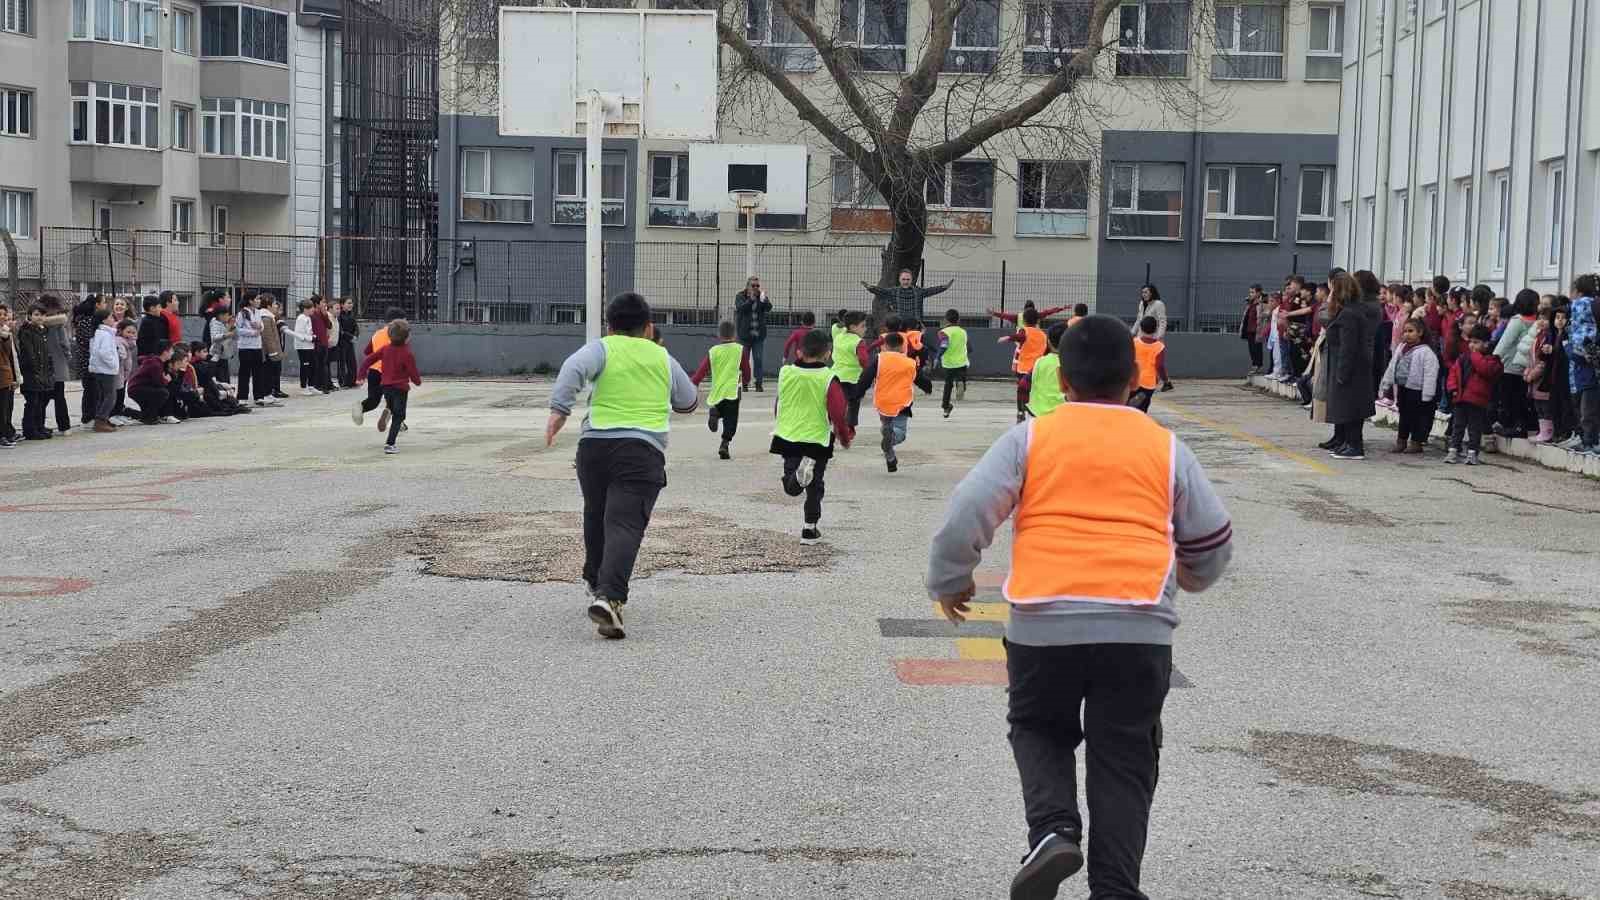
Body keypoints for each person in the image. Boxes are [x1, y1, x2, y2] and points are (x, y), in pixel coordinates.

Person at [926, 314, 1233, 900]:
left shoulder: (1031, 438)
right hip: (1138, 623)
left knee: (1039, 726)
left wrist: (951, 580)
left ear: (1062, 379)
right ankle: (1115, 887)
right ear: (1131, 378)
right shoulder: (1164, 446)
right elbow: (1212, 537)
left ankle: (1053, 830)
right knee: (1125, 753)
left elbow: (966, 510)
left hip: (1043, 620)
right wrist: (1190, 576)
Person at [546, 292, 698, 640]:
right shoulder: (662, 357)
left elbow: (572, 367)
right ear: (649, 327)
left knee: (597, 513)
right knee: (625, 524)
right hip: (641, 450)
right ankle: (610, 598)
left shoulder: (602, 348)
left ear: (610, 326)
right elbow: (688, 401)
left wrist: (560, 410)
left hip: (594, 446)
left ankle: (595, 577)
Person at [770, 328, 854, 544]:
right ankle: (809, 528)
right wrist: (844, 436)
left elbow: (779, 401)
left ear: (800, 351)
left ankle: (795, 480)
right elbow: (837, 412)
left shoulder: (786, 372)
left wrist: (779, 420)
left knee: (792, 483)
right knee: (815, 485)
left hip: (788, 434)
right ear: (828, 354)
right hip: (817, 438)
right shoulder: (828, 378)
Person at [1322, 271, 1380, 460]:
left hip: (1351, 368)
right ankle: (1347, 442)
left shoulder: (1349, 314)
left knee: (1351, 407)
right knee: (1346, 407)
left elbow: (1349, 346)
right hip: (1349, 365)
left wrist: (1342, 372)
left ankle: (1354, 445)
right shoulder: (1349, 311)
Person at [862, 331, 927, 473]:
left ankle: (890, 458)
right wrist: (928, 387)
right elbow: (920, 379)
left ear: (885, 346)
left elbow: (866, 377)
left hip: (883, 402)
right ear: (901, 347)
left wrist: (857, 393)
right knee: (900, 433)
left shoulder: (879, 359)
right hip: (902, 402)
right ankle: (891, 436)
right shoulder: (909, 362)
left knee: (886, 426)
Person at [357, 320, 422, 454]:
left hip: (386, 386)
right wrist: (417, 382)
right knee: (399, 416)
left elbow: (368, 359)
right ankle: (390, 444)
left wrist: (361, 375)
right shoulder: (407, 353)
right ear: (407, 337)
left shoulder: (385, 349)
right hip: (401, 388)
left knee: (392, 406)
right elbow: (413, 372)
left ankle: (388, 411)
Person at [689, 321, 750, 460]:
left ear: (719, 335)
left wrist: (694, 382)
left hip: (717, 393)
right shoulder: (740, 350)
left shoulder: (713, 351)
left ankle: (715, 413)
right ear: (734, 335)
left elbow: (702, 370)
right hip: (732, 392)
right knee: (731, 420)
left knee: (721, 410)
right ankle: (725, 443)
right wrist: (746, 381)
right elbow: (746, 369)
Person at [1379, 318, 1440, 454]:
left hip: (1417, 390)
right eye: (1405, 331)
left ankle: (1416, 442)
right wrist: (1387, 382)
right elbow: (1392, 366)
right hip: (1403, 387)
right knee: (1404, 415)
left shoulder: (1426, 352)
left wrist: (1428, 393)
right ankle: (1401, 441)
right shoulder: (1401, 348)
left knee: (1417, 417)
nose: (1407, 334)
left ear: (1420, 332)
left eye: (1411, 331)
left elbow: (1431, 374)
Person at [1446, 325, 1502, 465]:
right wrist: (1452, 388)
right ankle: (1453, 450)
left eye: (1476, 342)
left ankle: (1472, 453)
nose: (1472, 345)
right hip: (1460, 398)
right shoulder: (1463, 358)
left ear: (1486, 344)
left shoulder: (1492, 360)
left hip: (1477, 401)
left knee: (1474, 428)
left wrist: (1475, 356)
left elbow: (1485, 370)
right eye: (1470, 342)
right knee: (1457, 426)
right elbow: (1453, 373)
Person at [353, 307, 407, 426]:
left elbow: (367, 351)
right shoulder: (399, 335)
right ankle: (397, 421)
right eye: (404, 320)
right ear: (397, 322)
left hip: (374, 371)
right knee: (395, 398)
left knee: (373, 400)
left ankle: (361, 407)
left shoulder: (377, 334)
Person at [1563, 275, 1598, 455]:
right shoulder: (1593, 305)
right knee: (1586, 409)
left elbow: (1579, 346)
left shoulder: (1580, 305)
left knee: (1587, 410)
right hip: (1585, 369)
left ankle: (1589, 441)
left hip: (1584, 368)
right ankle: (1587, 440)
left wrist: (1568, 347)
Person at [1003, 307, 1049, 424]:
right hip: (1037, 368)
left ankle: (1020, 411)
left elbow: (1020, 338)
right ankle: (1034, 410)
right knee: (1035, 390)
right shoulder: (1043, 335)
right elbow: (1046, 350)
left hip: (1023, 367)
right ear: (1038, 321)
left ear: (1024, 320)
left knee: (1021, 389)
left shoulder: (1024, 331)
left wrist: (1008, 337)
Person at [862, 268, 955, 323]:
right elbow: (880, 291)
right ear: (899, 279)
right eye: (904, 279)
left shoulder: (918, 291)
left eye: (908, 279)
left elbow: (931, 291)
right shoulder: (893, 291)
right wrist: (871, 288)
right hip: (899, 325)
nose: (906, 281)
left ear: (911, 280)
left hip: (915, 325)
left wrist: (944, 287)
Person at [71, 294, 105, 426]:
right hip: (88, 359)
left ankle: (93, 415)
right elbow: (88, 340)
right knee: (91, 389)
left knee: (95, 389)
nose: (105, 305)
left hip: (90, 358)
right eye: (103, 303)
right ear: (97, 305)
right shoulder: (87, 320)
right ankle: (88, 416)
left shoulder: (89, 320)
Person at [734, 276, 773, 392]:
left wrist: (765, 300)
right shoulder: (740, 296)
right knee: (743, 360)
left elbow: (769, 308)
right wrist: (750, 300)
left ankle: (759, 383)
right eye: (753, 285)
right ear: (747, 286)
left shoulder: (760, 295)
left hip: (758, 336)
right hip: (744, 335)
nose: (756, 288)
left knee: (758, 358)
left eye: (757, 285)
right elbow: (740, 308)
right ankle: (744, 383)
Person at [1132, 284, 1172, 391]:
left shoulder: (1158, 304)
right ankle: (1145, 381)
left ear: (1152, 292)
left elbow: (1163, 321)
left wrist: (1158, 337)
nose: (1143, 294)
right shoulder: (1142, 304)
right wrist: (1132, 333)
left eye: (1146, 292)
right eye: (1142, 292)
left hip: (1153, 337)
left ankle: (1165, 381)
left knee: (1155, 362)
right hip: (1142, 335)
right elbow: (1139, 319)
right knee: (1142, 360)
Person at [127, 341, 178, 425]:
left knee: (157, 394)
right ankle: (149, 417)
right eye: (171, 351)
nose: (172, 353)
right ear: (165, 352)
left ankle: (143, 416)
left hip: (137, 388)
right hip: (137, 388)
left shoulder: (155, 361)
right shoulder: (155, 363)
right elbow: (158, 382)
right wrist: (166, 380)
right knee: (163, 393)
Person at [86, 308, 120, 433]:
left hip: (99, 369)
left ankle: (102, 419)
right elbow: (104, 352)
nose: (113, 319)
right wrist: (112, 364)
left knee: (103, 396)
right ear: (104, 320)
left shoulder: (99, 333)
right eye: (111, 317)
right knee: (110, 397)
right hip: (106, 370)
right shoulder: (105, 334)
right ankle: (100, 421)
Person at [1025, 322, 1068, 417]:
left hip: (1037, 414)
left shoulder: (1040, 362)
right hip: (1062, 415)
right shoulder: (1071, 364)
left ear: (1048, 341)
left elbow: (1023, 385)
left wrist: (1021, 409)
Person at [234, 295, 268, 406]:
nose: (259, 301)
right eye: (257, 299)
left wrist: (260, 326)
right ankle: (242, 397)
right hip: (245, 347)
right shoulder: (242, 313)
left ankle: (259, 396)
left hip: (257, 346)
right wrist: (252, 332)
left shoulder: (258, 312)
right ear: (250, 300)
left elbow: (261, 326)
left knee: (258, 372)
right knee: (245, 372)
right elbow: (238, 329)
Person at [1129, 316, 1167, 414]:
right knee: (1143, 408)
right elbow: (1160, 366)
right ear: (1156, 329)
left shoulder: (1134, 343)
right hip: (1149, 383)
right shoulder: (1159, 347)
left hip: (1134, 380)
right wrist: (1165, 380)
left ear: (1141, 328)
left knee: (1130, 407)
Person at [938, 308, 969, 418]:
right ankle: (961, 382)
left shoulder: (943, 332)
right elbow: (968, 346)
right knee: (961, 376)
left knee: (948, 385)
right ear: (958, 320)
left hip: (948, 363)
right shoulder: (963, 332)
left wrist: (937, 357)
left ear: (946, 320)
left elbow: (944, 346)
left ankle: (946, 407)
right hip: (962, 361)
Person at [259, 295, 287, 400]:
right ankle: (266, 394)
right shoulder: (266, 317)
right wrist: (272, 351)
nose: (276, 306)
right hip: (268, 352)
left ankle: (269, 393)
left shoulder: (270, 316)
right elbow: (268, 336)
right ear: (268, 305)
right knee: (267, 373)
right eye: (275, 303)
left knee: (270, 373)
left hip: (271, 351)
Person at [111, 319, 137, 426]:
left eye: (133, 332)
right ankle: (113, 415)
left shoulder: (129, 343)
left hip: (124, 372)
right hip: (118, 372)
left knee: (121, 394)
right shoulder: (119, 340)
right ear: (121, 331)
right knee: (117, 394)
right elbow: (121, 355)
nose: (130, 335)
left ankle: (119, 413)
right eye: (128, 332)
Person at [0, 302, 18, 448]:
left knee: (5, 408)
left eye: (4, 315)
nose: (3, 317)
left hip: (5, 375)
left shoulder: (5, 333)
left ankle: (4, 434)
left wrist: (6, 336)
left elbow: (9, 354)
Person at [292, 300, 318, 395]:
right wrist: (311, 338)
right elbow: (299, 334)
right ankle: (303, 387)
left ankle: (311, 386)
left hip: (310, 346)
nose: (313, 309)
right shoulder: (301, 318)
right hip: (303, 347)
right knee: (305, 366)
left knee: (313, 366)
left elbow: (308, 331)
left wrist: (313, 337)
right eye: (311, 308)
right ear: (305, 309)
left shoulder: (308, 318)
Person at [1240, 285, 1264, 374]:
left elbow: (1264, 314)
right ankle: (1254, 365)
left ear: (1258, 293)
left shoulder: (1262, 302)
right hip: (1249, 329)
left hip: (1257, 329)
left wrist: (1261, 300)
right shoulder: (1250, 303)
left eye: (1252, 292)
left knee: (1257, 348)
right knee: (1251, 348)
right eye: (1250, 292)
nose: (1250, 294)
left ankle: (1258, 365)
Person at [337, 298, 359, 388]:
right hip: (342, 343)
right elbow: (340, 330)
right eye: (348, 303)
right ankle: (343, 382)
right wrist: (351, 337)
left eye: (351, 303)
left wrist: (356, 336)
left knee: (352, 362)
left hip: (350, 342)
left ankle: (352, 382)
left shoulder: (351, 315)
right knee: (342, 363)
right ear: (342, 305)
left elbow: (356, 327)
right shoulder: (339, 316)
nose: (351, 305)